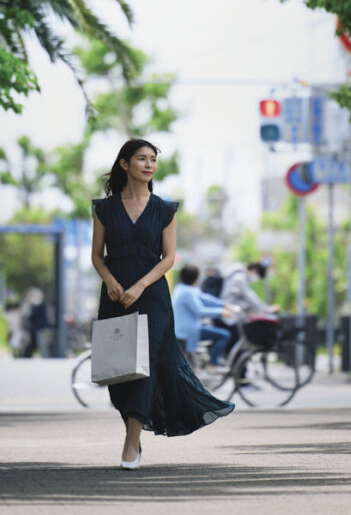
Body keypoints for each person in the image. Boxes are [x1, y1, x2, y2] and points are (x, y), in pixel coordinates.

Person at [91, 138, 234, 470]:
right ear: (125, 164)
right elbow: (97, 256)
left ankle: (130, 445)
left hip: (153, 296)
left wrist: (140, 285)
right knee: (120, 371)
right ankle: (134, 429)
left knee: (148, 364)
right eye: (142, 158)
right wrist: (111, 281)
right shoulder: (103, 209)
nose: (149, 165)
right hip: (115, 296)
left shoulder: (165, 209)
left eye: (153, 159)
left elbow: (169, 258)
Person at [172, 264, 232, 367]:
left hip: (180, 329)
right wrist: (221, 312)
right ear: (196, 278)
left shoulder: (180, 288)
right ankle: (212, 364)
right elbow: (200, 311)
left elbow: (204, 298)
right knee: (224, 335)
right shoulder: (187, 293)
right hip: (187, 331)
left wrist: (223, 304)